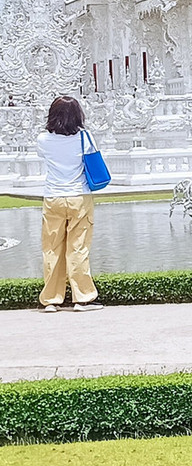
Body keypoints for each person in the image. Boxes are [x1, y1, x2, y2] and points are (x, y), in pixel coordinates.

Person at [36, 96, 103, 312]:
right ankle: (81, 299)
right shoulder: (85, 137)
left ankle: (51, 300)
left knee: (52, 249)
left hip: (53, 197)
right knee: (78, 248)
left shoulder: (43, 139)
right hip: (79, 196)